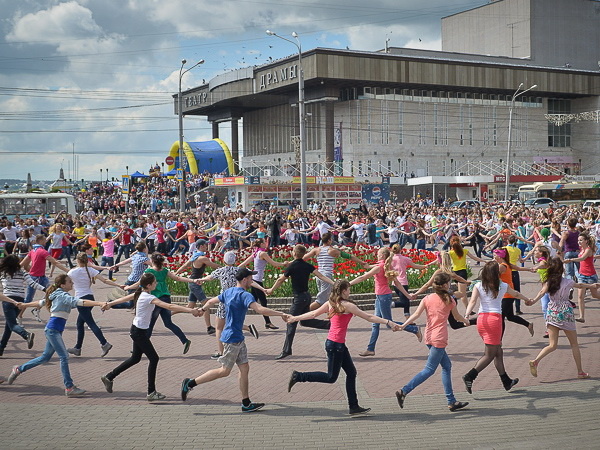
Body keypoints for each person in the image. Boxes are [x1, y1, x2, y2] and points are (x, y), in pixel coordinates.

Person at [180, 268, 289, 412]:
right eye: (251, 278)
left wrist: (203, 309)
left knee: (244, 368)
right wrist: (280, 313)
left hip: (237, 337)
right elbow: (261, 310)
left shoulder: (229, 291)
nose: (252, 280)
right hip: (232, 338)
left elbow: (211, 301)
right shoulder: (245, 295)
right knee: (224, 371)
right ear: (244, 280)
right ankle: (190, 383)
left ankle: (246, 402)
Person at [287, 279, 399, 415]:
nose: (350, 291)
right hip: (335, 345)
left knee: (351, 373)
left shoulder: (331, 303)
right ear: (344, 291)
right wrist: (388, 321)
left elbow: (313, 314)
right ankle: (299, 376)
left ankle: (354, 406)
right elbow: (369, 317)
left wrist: (294, 318)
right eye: (349, 289)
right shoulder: (346, 305)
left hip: (336, 344)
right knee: (331, 377)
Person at [100, 272, 201, 401]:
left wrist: (109, 304)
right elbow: (169, 306)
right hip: (138, 333)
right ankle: (151, 392)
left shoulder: (140, 293)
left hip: (137, 330)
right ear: (148, 285)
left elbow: (124, 299)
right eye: (154, 282)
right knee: (154, 359)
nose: (156, 283)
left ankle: (109, 377)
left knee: (135, 358)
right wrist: (190, 310)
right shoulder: (147, 297)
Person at [6, 274, 106, 397]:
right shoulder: (62, 295)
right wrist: (99, 303)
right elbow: (80, 302)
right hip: (53, 330)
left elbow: (41, 302)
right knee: (64, 357)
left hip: (54, 330)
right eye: (70, 282)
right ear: (63, 285)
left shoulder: (57, 294)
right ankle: (69, 387)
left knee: (45, 357)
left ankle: (19, 369)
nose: (72, 284)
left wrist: (25, 305)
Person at [395, 272, 470, 412]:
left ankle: (451, 401)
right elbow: (458, 316)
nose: (450, 284)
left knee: (447, 366)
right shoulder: (450, 300)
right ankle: (403, 391)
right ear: (445, 285)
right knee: (429, 370)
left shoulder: (427, 298)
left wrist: (403, 326)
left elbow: (415, 315)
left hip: (428, 337)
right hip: (439, 339)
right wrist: (466, 321)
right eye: (449, 282)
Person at [462, 261, 530, 394]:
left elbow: (472, 301)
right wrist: (527, 299)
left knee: (498, 351)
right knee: (490, 354)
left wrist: (466, 315)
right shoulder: (502, 285)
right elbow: (515, 294)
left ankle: (506, 381)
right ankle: (470, 376)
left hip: (481, 320)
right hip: (494, 320)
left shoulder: (479, 285)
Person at [526, 257, 592, 379]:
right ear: (562, 269)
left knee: (552, 345)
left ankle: (536, 360)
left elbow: (541, 292)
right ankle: (580, 371)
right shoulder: (568, 281)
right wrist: (592, 286)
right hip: (565, 311)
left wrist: (533, 301)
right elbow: (580, 285)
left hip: (552, 311)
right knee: (574, 344)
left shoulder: (548, 281)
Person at [266, 244, 334, 360]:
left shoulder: (292, 266)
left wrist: (271, 289)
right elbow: (321, 276)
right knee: (305, 322)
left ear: (294, 253)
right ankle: (330, 325)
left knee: (290, 322)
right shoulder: (307, 265)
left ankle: (286, 350)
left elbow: (280, 279)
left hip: (299, 298)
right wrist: (334, 283)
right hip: (306, 297)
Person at [349, 247, 421, 357]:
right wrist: (407, 295)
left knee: (388, 323)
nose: (376, 255)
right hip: (381, 296)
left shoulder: (380, 267)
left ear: (382, 255)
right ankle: (370, 349)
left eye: (378, 254)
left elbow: (363, 277)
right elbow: (396, 283)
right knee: (375, 323)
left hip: (383, 297)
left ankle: (414, 329)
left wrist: (348, 284)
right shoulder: (386, 266)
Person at [128, 252, 196, 354]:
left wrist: (128, 287)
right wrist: (193, 280)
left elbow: (140, 283)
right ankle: (184, 340)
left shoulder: (149, 271)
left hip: (156, 300)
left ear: (152, 261)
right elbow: (178, 278)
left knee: (149, 325)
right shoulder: (164, 271)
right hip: (166, 298)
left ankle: (139, 348)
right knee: (168, 323)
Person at [66, 253, 122, 357]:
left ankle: (104, 343)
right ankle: (77, 348)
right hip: (90, 298)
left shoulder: (72, 272)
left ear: (77, 261)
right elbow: (105, 280)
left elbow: (63, 281)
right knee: (79, 324)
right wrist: (118, 285)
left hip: (81, 300)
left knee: (91, 323)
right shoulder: (90, 270)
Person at [240, 238, 288, 329]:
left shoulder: (255, 253)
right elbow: (274, 264)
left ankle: (238, 317)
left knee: (251, 301)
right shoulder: (262, 254)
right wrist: (284, 264)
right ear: (261, 244)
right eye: (264, 242)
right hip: (257, 280)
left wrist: (234, 268)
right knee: (263, 302)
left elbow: (244, 263)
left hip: (254, 279)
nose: (266, 244)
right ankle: (268, 322)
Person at [0, 255, 43, 356]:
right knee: (9, 326)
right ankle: (1, 348)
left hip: (8, 300)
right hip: (20, 300)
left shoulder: (3, 273)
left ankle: (26, 335)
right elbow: (32, 284)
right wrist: (45, 289)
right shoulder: (22, 273)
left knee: (12, 325)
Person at [175, 238, 220, 335]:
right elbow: (214, 266)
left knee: (190, 306)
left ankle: (168, 314)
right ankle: (209, 327)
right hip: (195, 284)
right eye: (205, 245)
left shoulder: (194, 256)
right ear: (200, 247)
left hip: (192, 283)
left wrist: (175, 273)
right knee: (206, 304)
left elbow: (184, 266)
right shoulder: (202, 258)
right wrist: (227, 267)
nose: (207, 247)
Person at [563, 233, 600, 323]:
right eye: (578, 240)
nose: (579, 242)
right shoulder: (581, 249)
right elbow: (586, 258)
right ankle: (581, 317)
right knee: (580, 296)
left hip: (591, 276)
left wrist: (571, 260)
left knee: (595, 295)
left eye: (581, 240)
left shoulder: (588, 249)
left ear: (586, 241)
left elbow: (582, 259)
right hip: (582, 275)